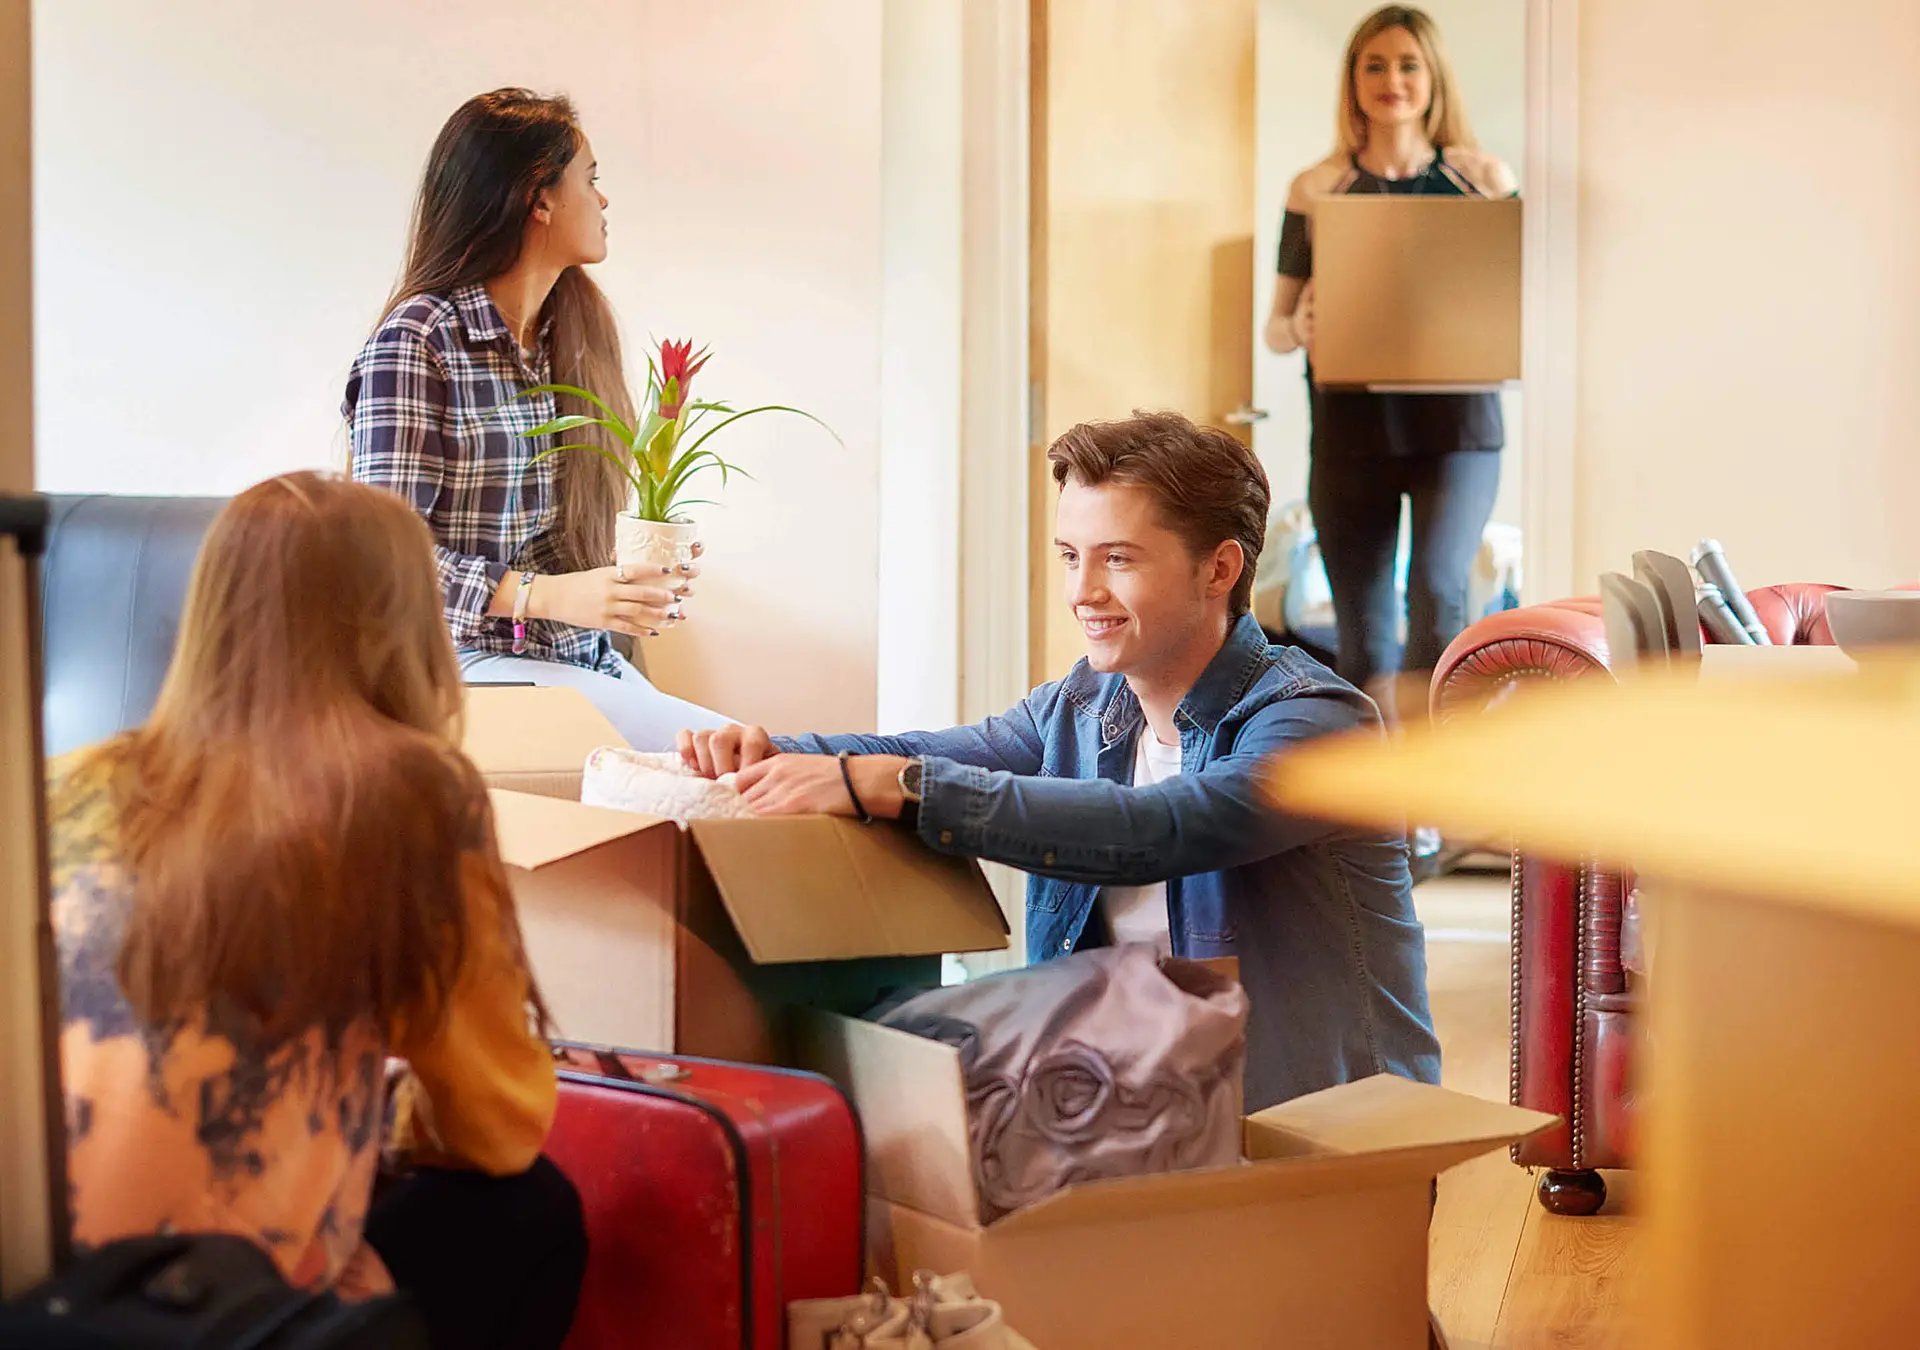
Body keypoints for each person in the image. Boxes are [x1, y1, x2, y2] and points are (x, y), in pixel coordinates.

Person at [681, 411, 1438, 1112]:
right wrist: (767, 752)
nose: (1082, 592)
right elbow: (919, 753)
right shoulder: (1079, 708)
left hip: (1317, 1129)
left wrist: (905, 789)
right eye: (1072, 557)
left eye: (1118, 559)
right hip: (1140, 1110)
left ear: (1219, 571)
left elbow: (1166, 828)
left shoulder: (1319, 721)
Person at [45, 473, 586, 1350]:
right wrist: (385, 1118)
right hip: (207, 1316)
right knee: (529, 1208)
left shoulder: (63, 782)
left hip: (41, 1293)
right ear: (404, 626)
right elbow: (497, 1125)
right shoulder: (410, 796)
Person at [346, 87, 729, 750]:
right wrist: (546, 597)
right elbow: (382, 563)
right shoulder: (418, 342)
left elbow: (555, 540)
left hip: (575, 663)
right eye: (591, 179)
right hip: (457, 672)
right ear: (539, 198)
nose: (604, 201)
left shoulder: (576, 336)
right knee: (741, 761)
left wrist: (638, 571)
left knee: (747, 759)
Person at [1263, 5, 1518, 719]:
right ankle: (1374, 784)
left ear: (1434, 79)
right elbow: (1276, 329)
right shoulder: (1316, 187)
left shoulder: (1484, 180)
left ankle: (1433, 772)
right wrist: (1299, 324)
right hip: (1351, 432)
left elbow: (1514, 301)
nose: (1392, 80)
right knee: (1364, 630)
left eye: (1409, 65)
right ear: (1353, 80)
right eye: (1374, 65)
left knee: (1439, 596)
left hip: (1459, 432)